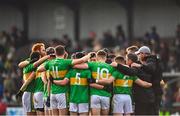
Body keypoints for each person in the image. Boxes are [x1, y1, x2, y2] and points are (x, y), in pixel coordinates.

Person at [37, 45, 91, 115]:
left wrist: (47, 57)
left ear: (55, 53)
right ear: (64, 52)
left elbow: (39, 69)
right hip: (62, 93)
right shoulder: (66, 62)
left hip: (53, 93)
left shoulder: (50, 63)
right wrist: (89, 55)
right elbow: (82, 60)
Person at [74, 50, 115, 115]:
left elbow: (76, 66)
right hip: (106, 95)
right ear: (105, 58)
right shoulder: (111, 67)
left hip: (95, 95)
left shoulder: (92, 64)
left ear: (97, 57)